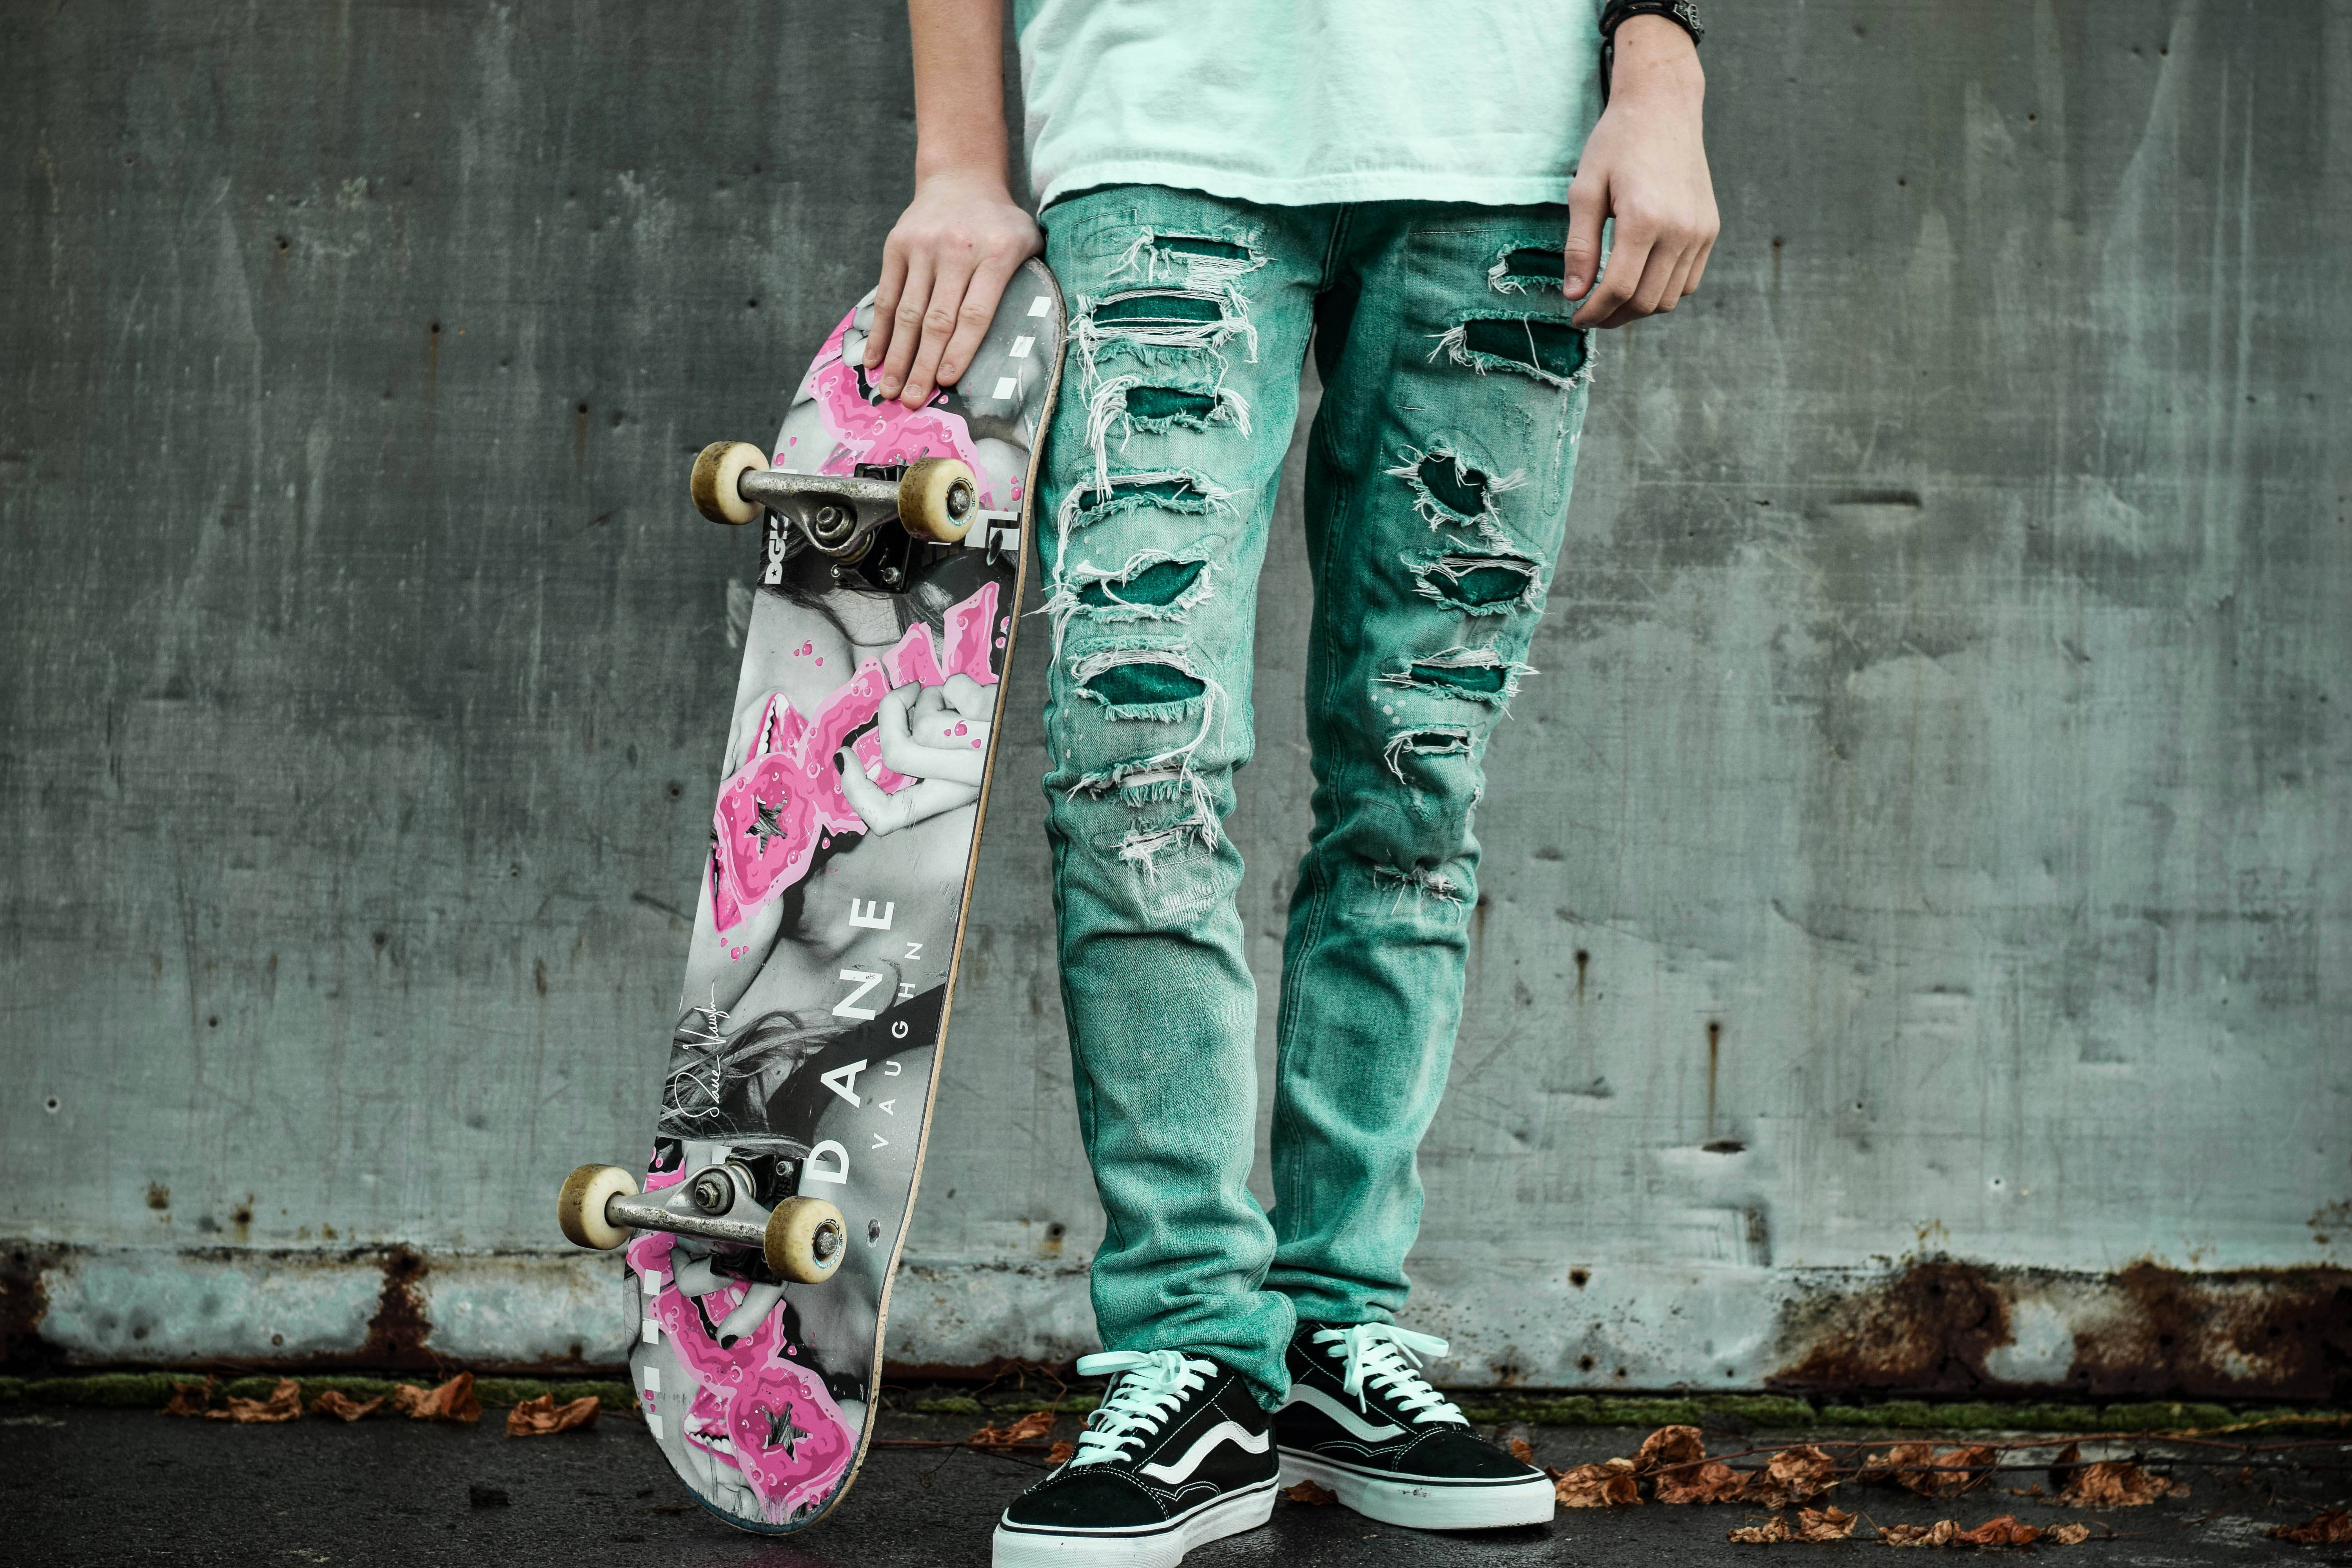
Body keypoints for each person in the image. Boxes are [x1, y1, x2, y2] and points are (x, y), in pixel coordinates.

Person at [862, 2, 1717, 1561]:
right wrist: (964, 159)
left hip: (1505, 155)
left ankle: (1334, 1333)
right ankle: (1191, 1346)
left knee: (1416, 782)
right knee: (1140, 760)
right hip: (1161, 127)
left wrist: (1658, 72)